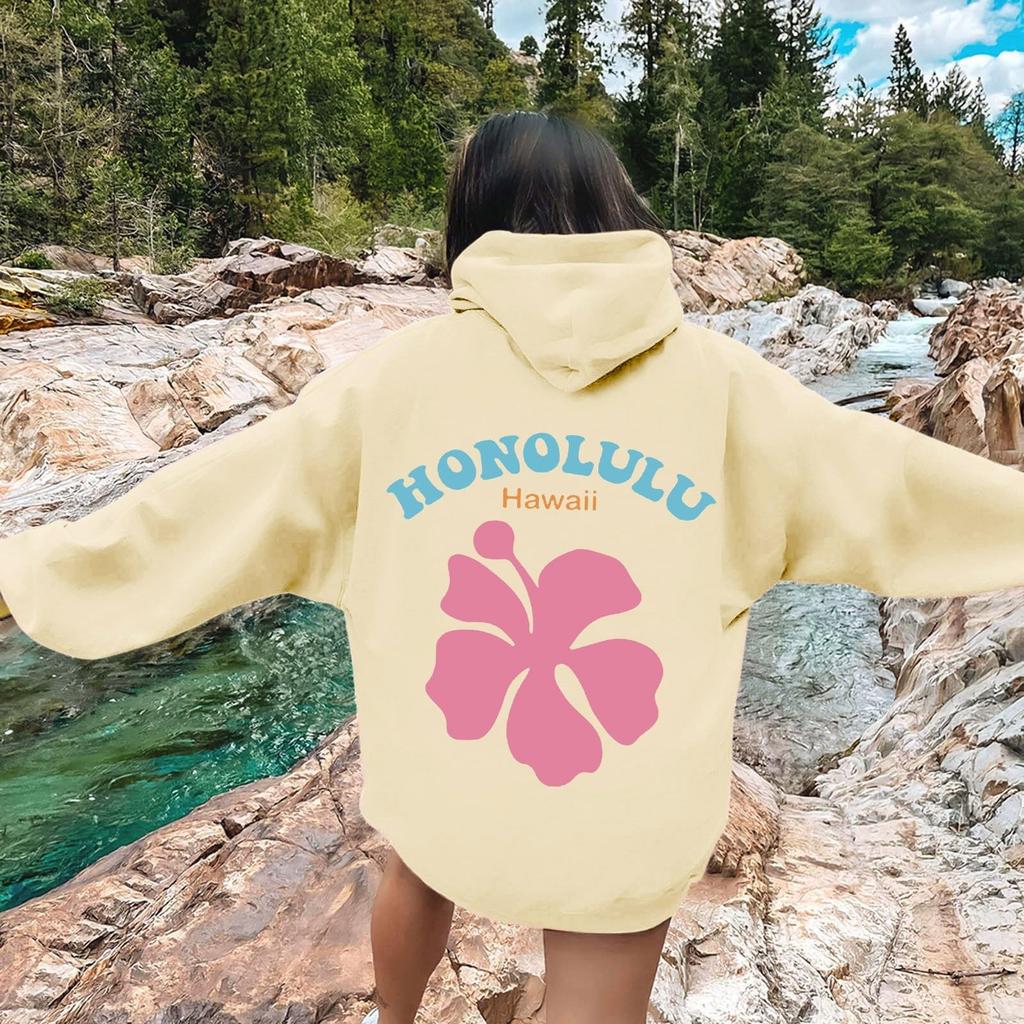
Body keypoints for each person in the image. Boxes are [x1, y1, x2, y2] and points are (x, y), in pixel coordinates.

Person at [3, 110, 1024, 1024]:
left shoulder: (388, 386)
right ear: (618, 213)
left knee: (416, 854)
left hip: (450, 784)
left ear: (471, 222)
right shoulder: (727, 389)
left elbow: (207, 507)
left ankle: (395, 1019)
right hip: (626, 808)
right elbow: (897, 489)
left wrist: (35, 568)